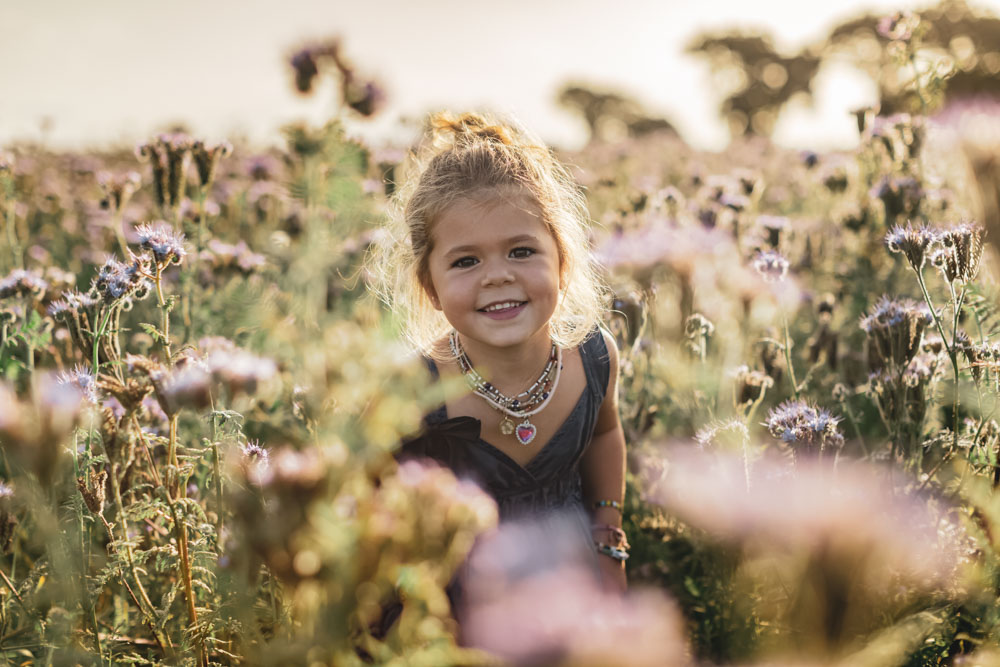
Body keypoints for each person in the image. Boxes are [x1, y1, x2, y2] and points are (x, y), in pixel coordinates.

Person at [369, 110, 628, 597]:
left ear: (563, 261)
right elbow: (360, 489)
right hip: (454, 605)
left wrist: (608, 536)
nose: (497, 276)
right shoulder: (415, 386)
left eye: (521, 251)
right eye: (466, 261)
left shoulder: (593, 357)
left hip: (570, 584)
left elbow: (605, 433)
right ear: (430, 287)